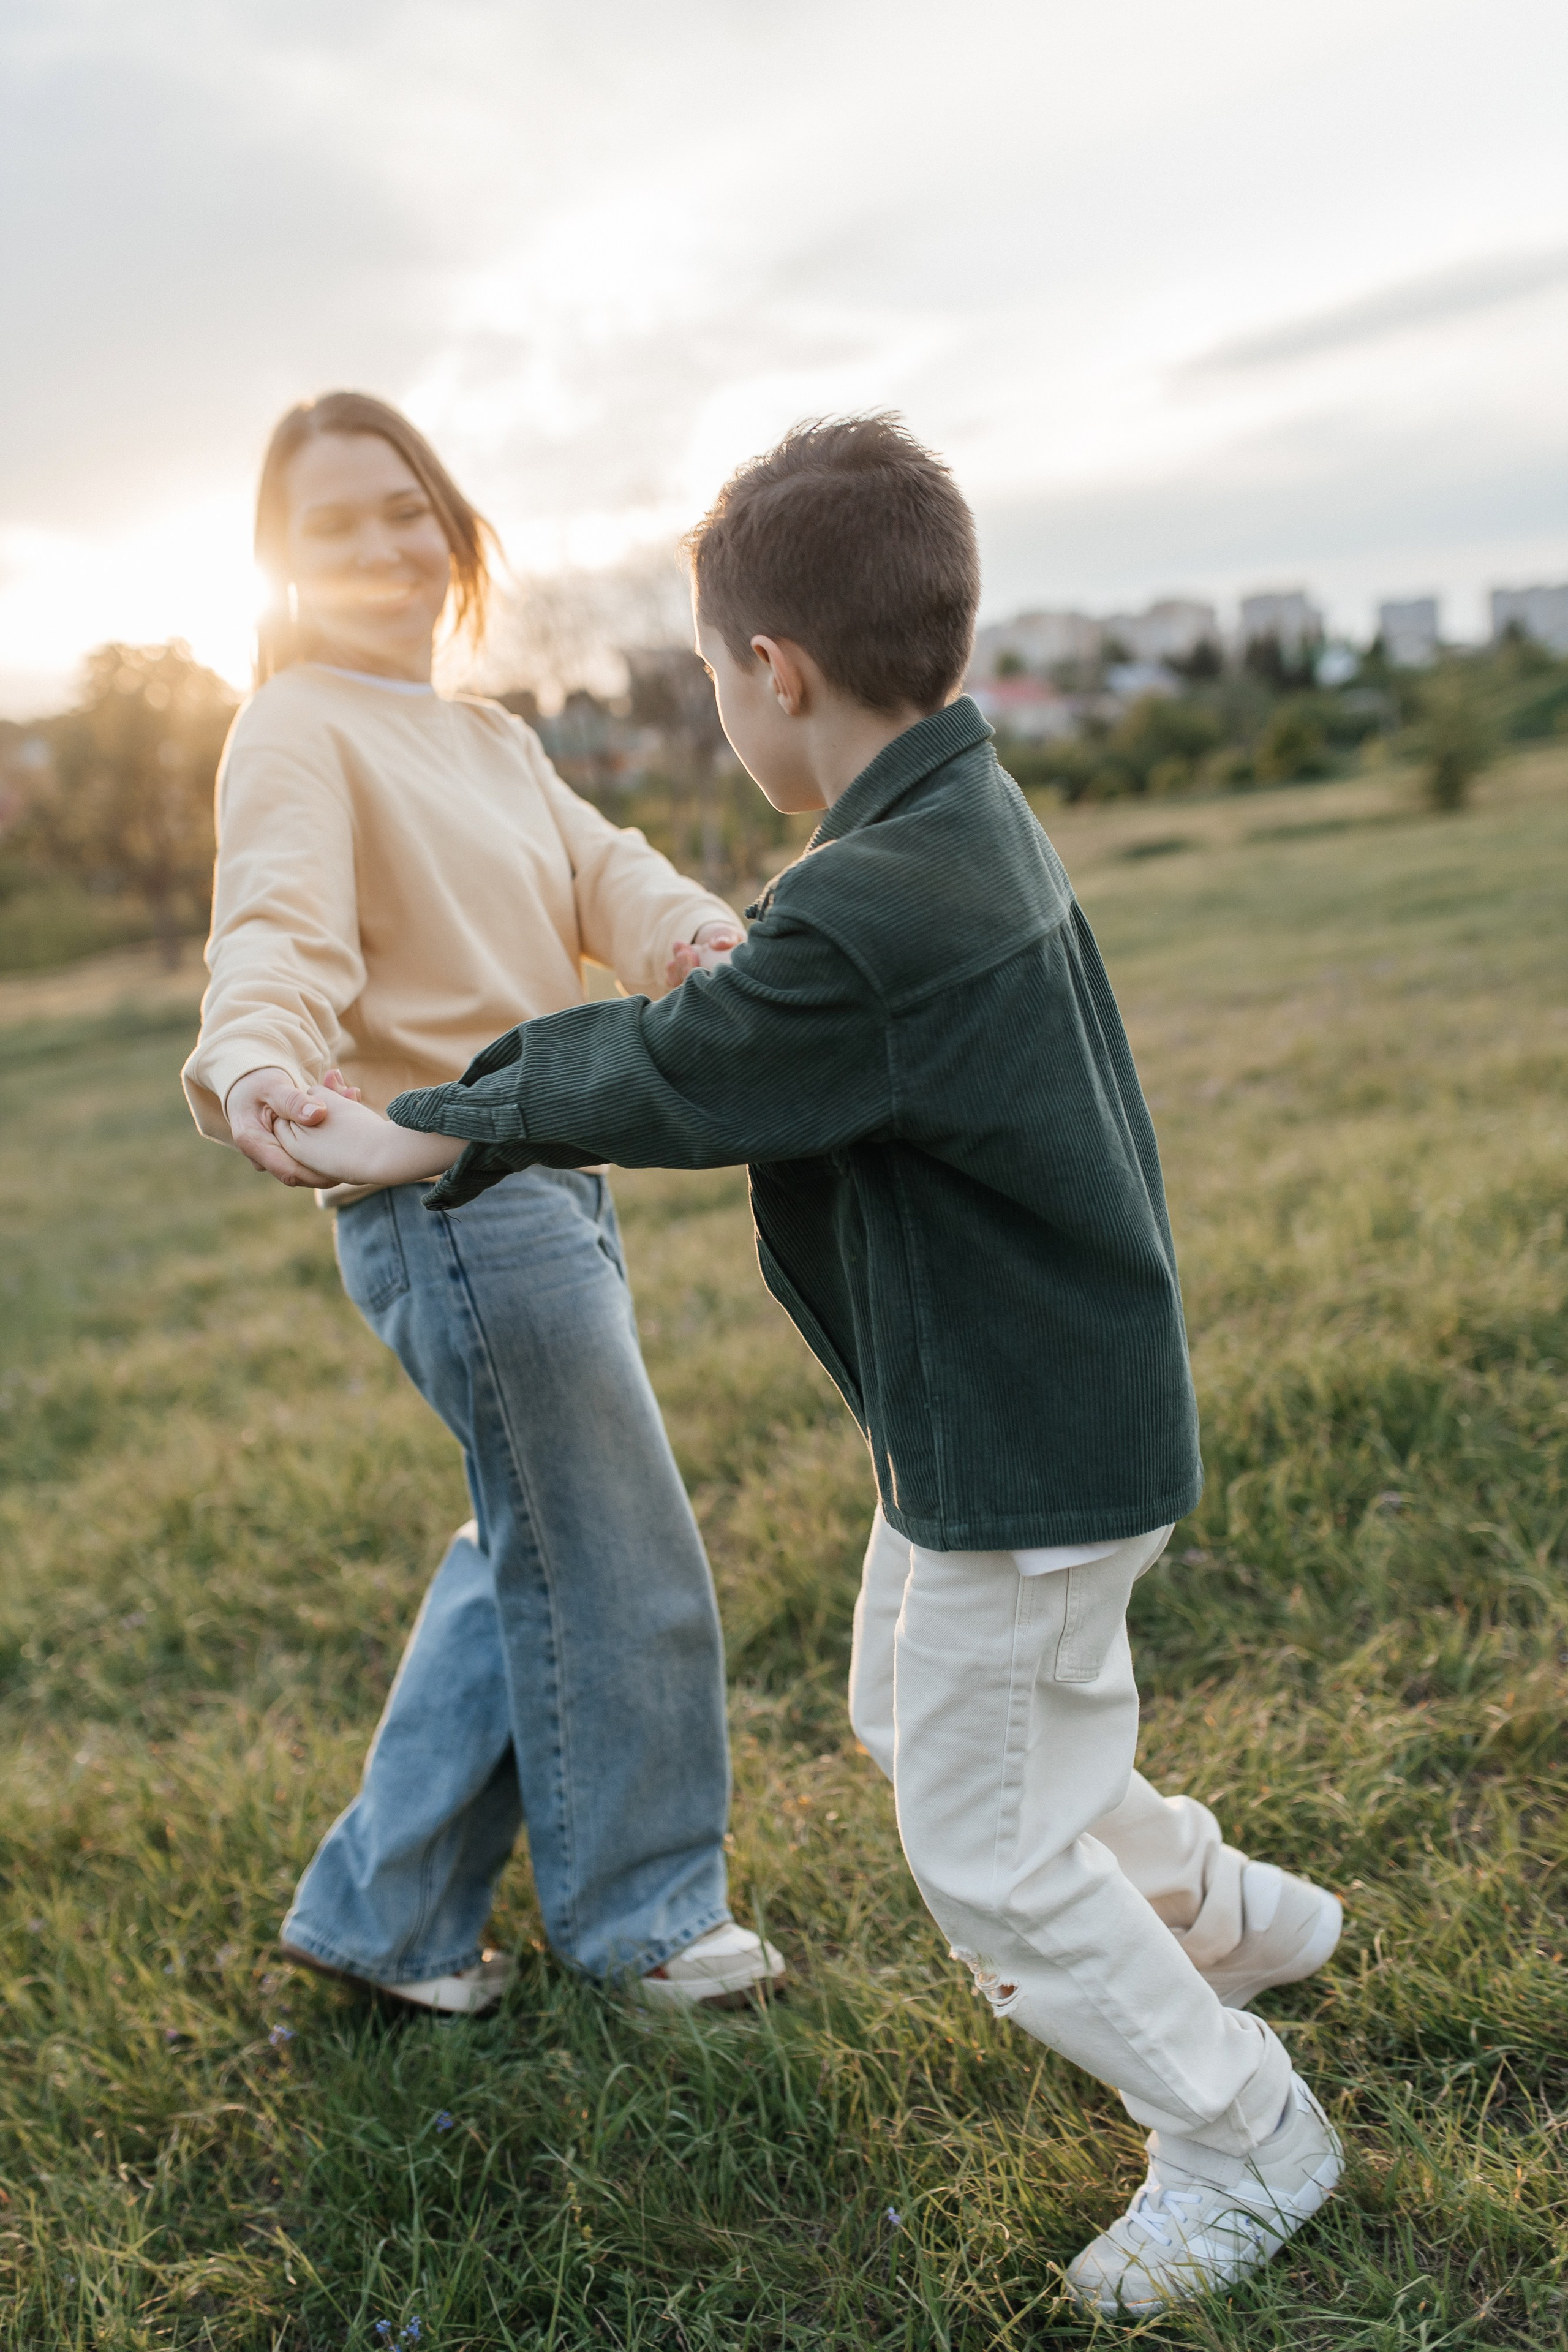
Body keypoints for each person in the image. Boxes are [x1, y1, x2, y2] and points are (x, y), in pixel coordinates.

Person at [276, 416, 1346, 2314]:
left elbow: (667, 1068)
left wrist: (421, 1123)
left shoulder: (871, 905)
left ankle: (1244, 2130)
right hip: (1015, 1427)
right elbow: (749, 1001)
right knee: (942, 1713)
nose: (717, 711)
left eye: (711, 677)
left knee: (988, 1847)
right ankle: (1232, 1919)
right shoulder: (952, 813)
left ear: (774, 672)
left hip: (1022, 1440)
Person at [181, 390, 785, 2016]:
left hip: (542, 1183)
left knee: (534, 1532)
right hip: (445, 1193)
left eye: (408, 509)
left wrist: (693, 943)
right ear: (279, 568)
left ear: (453, 528)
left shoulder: (489, 736)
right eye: (335, 526)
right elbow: (278, 933)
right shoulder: (297, 726)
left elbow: (611, 874)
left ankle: (390, 1918)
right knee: (617, 1554)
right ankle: (645, 1920)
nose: (385, 547)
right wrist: (254, 1065)